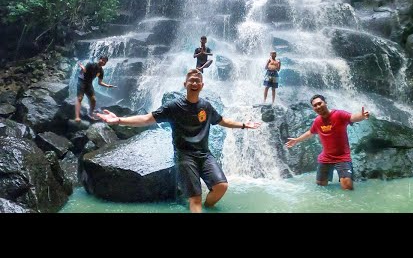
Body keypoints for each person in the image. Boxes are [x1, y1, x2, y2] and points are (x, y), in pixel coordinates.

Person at [96, 68, 261, 213]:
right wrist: (119, 120)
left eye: (198, 81)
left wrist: (244, 125)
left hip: (204, 154)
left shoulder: (206, 106)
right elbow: (147, 119)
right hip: (185, 156)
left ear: (202, 86)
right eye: (191, 81)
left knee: (221, 186)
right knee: (195, 198)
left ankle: (208, 207)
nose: (195, 83)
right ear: (185, 84)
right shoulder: (173, 106)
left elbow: (222, 120)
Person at [285, 94, 369, 190]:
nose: (318, 106)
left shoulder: (339, 114)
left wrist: (362, 116)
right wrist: (297, 140)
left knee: (347, 187)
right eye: (315, 105)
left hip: (342, 157)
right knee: (320, 185)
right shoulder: (317, 121)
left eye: (319, 103)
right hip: (326, 158)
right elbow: (310, 132)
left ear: (325, 103)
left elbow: (352, 117)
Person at [75, 56, 116, 122]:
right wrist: (82, 67)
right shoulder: (91, 64)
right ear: (99, 59)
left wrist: (107, 86)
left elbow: (100, 82)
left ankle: (91, 113)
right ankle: (77, 117)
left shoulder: (101, 71)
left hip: (89, 84)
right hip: (82, 82)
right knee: (80, 98)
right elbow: (83, 70)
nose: (103, 62)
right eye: (102, 60)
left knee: (93, 99)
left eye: (105, 61)